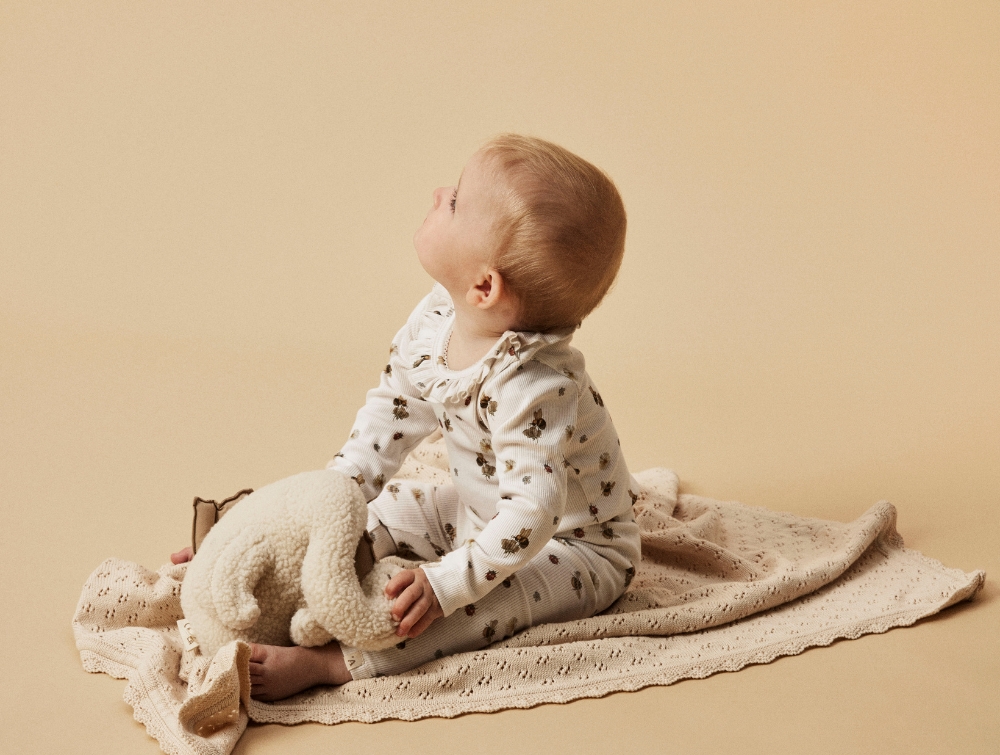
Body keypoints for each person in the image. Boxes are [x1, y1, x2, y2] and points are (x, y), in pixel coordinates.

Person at [172, 134, 641, 701]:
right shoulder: (440, 316)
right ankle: (269, 567)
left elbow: (530, 517)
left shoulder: (536, 388)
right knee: (383, 510)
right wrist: (305, 517)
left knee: (481, 607)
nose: (438, 192)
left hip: (570, 549)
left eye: (455, 201)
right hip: (472, 512)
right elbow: (390, 416)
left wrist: (445, 585)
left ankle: (331, 662)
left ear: (485, 285)